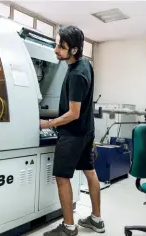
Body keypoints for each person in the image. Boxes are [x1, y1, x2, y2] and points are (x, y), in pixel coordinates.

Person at [40, 26, 105, 236]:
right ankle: (96, 220)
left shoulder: (77, 74)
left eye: (61, 47)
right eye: (57, 44)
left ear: (74, 50)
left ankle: (68, 227)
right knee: (90, 172)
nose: (56, 50)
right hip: (87, 131)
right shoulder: (85, 63)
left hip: (73, 133)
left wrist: (47, 124)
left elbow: (73, 113)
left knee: (62, 177)